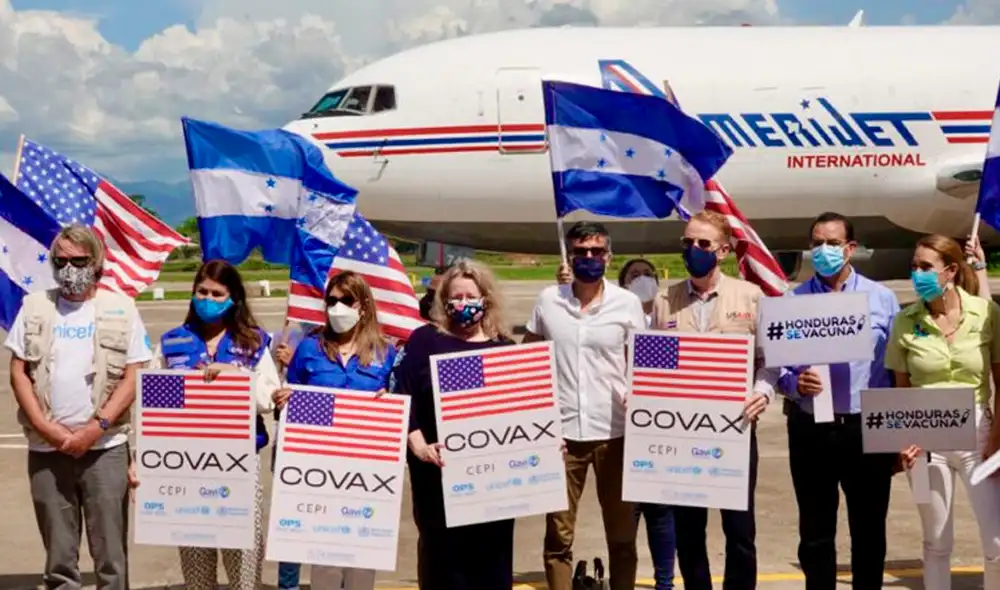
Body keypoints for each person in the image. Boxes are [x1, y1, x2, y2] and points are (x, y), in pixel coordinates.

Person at [5, 224, 153, 590]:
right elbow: (18, 372)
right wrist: (45, 427)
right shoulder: (34, 306)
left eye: (79, 261)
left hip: (105, 448)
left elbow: (133, 375)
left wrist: (95, 428)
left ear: (96, 261)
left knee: (111, 556)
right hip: (46, 448)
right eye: (61, 261)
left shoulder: (121, 308)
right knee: (59, 556)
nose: (69, 269)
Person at [649, 211, 776, 590]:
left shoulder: (750, 297)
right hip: (685, 435)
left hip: (734, 430)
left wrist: (761, 393)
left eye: (703, 244)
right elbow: (653, 365)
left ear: (721, 251)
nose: (694, 250)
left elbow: (768, 362)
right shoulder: (663, 300)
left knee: (739, 530)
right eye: (688, 243)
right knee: (689, 530)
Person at [777, 212, 900, 590]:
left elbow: (898, 369)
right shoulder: (791, 301)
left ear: (850, 249)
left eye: (832, 243)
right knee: (814, 532)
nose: (823, 250)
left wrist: (901, 434)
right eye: (817, 243)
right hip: (811, 427)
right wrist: (797, 383)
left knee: (868, 530)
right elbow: (777, 370)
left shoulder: (881, 298)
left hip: (866, 427)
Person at [525, 221, 645, 590]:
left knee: (622, 536)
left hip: (616, 433)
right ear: (570, 256)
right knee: (558, 537)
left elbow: (642, 363)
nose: (589, 258)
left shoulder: (628, 304)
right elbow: (528, 357)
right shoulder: (549, 300)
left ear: (608, 257)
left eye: (596, 251)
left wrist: (638, 394)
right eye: (581, 252)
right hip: (562, 436)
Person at [148, 259, 280, 590]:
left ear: (233, 298)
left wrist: (237, 377)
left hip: (239, 462)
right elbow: (151, 404)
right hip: (187, 464)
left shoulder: (253, 342)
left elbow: (268, 397)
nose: (208, 298)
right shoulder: (171, 342)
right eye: (202, 291)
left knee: (244, 565)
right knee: (196, 567)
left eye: (217, 294)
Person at [391, 259, 517, 590]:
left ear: (486, 299)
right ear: (444, 300)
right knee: (444, 565)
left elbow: (522, 410)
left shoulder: (503, 348)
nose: (462, 304)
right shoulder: (424, 341)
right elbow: (401, 396)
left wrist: (545, 444)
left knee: (492, 563)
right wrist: (416, 443)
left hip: (495, 482)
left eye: (470, 297)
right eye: (455, 297)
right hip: (438, 476)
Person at [271, 271, 397, 590]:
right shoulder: (310, 348)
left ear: (364, 306)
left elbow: (398, 405)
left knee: (361, 567)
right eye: (332, 300)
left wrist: (392, 401)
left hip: (366, 473)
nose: (337, 307)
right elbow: (292, 400)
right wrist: (284, 399)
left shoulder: (386, 352)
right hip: (321, 471)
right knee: (324, 563)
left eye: (346, 300)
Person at [889, 234, 1000, 590]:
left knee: (997, 541)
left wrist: (997, 439)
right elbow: (900, 389)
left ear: (950, 271)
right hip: (924, 447)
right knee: (936, 542)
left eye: (925, 267)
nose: (917, 274)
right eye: (913, 267)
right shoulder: (905, 320)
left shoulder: (987, 314)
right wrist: (903, 440)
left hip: (979, 440)